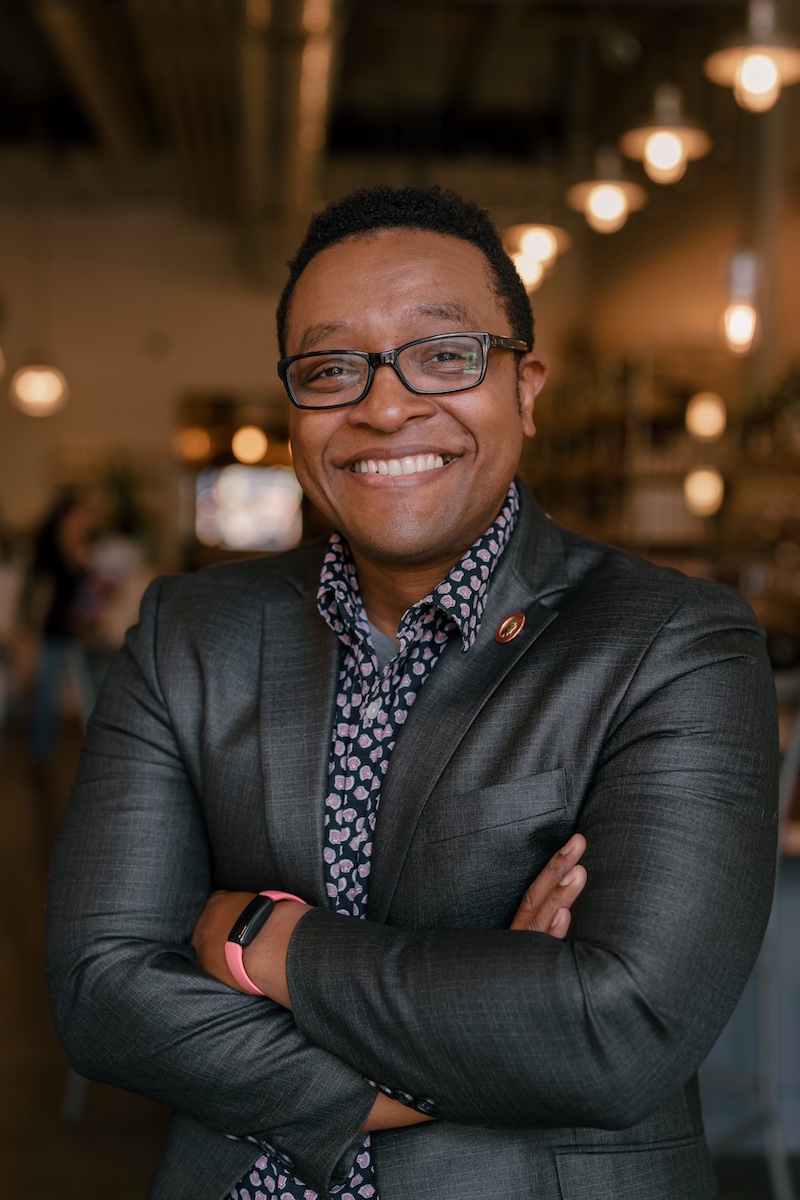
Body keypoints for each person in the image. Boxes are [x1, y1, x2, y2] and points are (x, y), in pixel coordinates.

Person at [46, 186, 778, 1200]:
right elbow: (103, 993)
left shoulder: (670, 645)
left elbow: (618, 1032)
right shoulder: (194, 634)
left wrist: (267, 941)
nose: (383, 406)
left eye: (443, 355)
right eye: (330, 368)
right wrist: (437, 1059)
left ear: (525, 387)